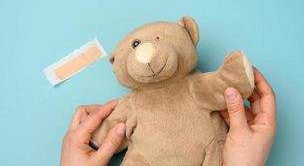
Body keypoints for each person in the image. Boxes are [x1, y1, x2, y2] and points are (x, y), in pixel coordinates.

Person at [60, 68, 276, 166]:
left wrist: (233, 74)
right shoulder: (134, 103)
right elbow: (104, 130)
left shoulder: (194, 85)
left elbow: (217, 86)